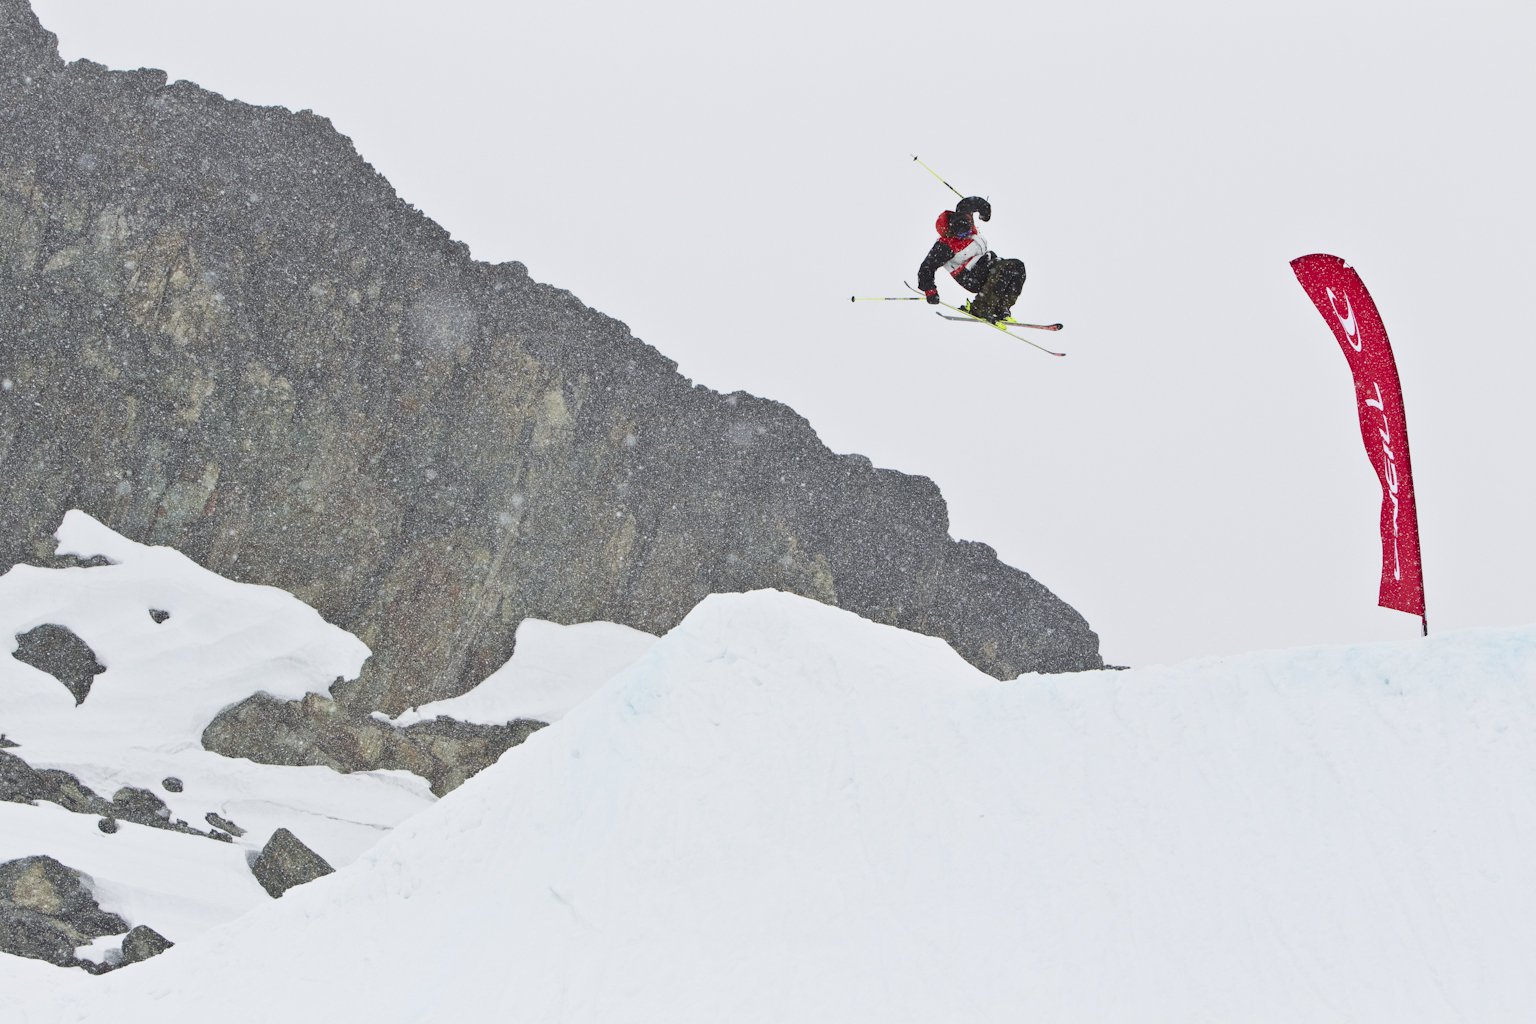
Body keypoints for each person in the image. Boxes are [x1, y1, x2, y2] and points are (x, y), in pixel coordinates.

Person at [916, 196, 1026, 323]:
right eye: (961, 235)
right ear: (952, 232)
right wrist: (930, 291)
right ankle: (980, 307)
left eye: (968, 230)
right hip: (969, 276)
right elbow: (926, 267)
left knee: (1018, 267)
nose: (966, 235)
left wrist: (985, 213)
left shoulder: (964, 213)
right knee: (1003, 269)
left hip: (983, 264)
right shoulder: (945, 245)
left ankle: (1001, 307)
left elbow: (975, 202)